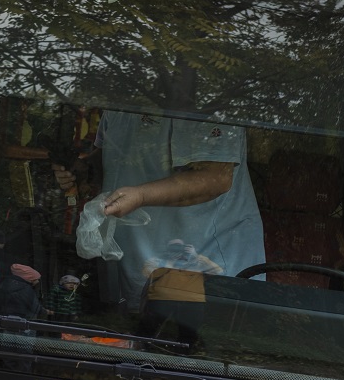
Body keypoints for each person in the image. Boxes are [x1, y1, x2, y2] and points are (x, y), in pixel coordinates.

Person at [55, 112, 264, 326]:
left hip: (203, 265)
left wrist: (141, 196)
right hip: (135, 265)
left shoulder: (206, 100)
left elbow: (215, 178)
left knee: (189, 340)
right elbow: (117, 155)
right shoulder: (118, 101)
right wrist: (85, 171)